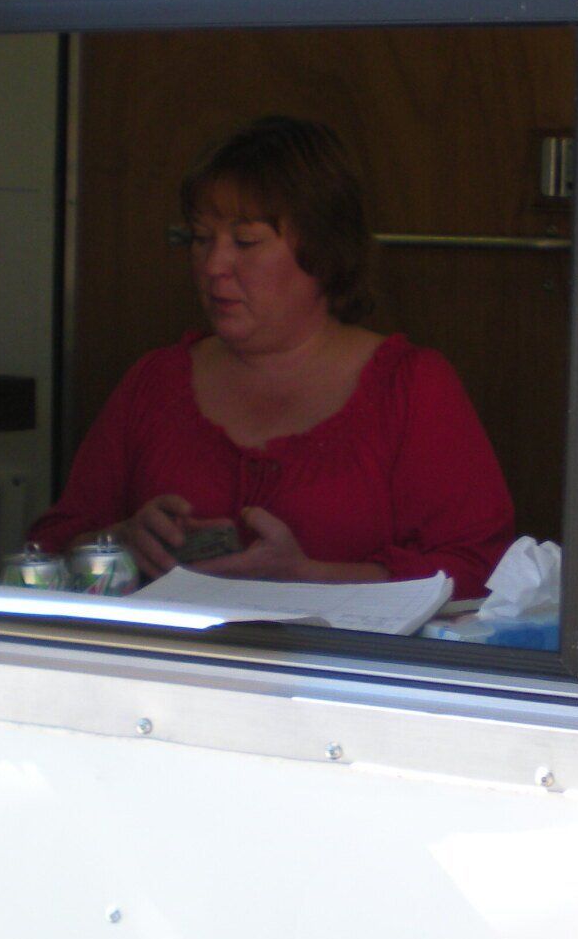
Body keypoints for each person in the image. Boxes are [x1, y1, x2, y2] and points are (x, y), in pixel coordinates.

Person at [27, 115, 515, 597]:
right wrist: (118, 543)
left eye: (246, 241)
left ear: (322, 249)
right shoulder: (155, 380)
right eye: (200, 238)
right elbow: (47, 547)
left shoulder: (411, 388)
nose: (214, 266)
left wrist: (310, 578)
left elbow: (479, 568)